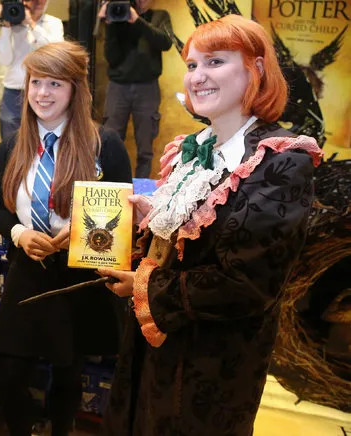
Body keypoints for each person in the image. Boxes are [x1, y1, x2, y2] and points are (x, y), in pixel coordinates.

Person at [98, 15, 323, 436]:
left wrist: (143, 285)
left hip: (210, 368)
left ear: (255, 69)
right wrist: (152, 228)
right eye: (192, 65)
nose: (198, 76)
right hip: (154, 351)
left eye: (215, 62)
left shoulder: (281, 161)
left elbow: (246, 284)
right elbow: (193, 245)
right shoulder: (191, 150)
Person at [0, 41, 132, 436]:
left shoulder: (106, 145)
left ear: (75, 90)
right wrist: (19, 233)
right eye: (36, 82)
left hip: (77, 276)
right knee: (10, 367)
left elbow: (122, 215)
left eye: (55, 84)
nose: (42, 94)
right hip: (27, 270)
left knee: (68, 370)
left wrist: (84, 233)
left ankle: (61, 430)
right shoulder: (11, 146)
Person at [98, 0, 172, 178]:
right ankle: (110, 185)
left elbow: (165, 42)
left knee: (145, 148)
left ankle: (141, 189)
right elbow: (111, 57)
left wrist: (137, 20)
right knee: (110, 139)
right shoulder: (117, 17)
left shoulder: (159, 15)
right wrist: (108, 25)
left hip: (148, 87)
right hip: (118, 87)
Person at [0, 0, 64, 142]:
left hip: (44, 92)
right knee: (10, 142)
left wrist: (32, 24)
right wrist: (5, 27)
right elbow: (4, 59)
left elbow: (56, 54)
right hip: (14, 91)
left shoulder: (54, 23)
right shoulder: (13, 20)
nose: (39, 2)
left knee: (43, 140)